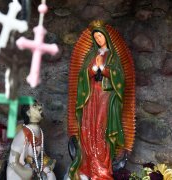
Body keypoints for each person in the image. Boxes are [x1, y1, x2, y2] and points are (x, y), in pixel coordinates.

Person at [68, 20, 126, 180]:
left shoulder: (113, 56)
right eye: (96, 37)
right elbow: (83, 75)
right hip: (90, 96)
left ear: (106, 36)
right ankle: (87, 166)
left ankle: (102, 170)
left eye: (100, 35)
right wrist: (92, 70)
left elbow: (120, 79)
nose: (99, 39)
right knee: (88, 129)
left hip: (106, 97)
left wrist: (104, 69)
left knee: (102, 131)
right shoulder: (91, 55)